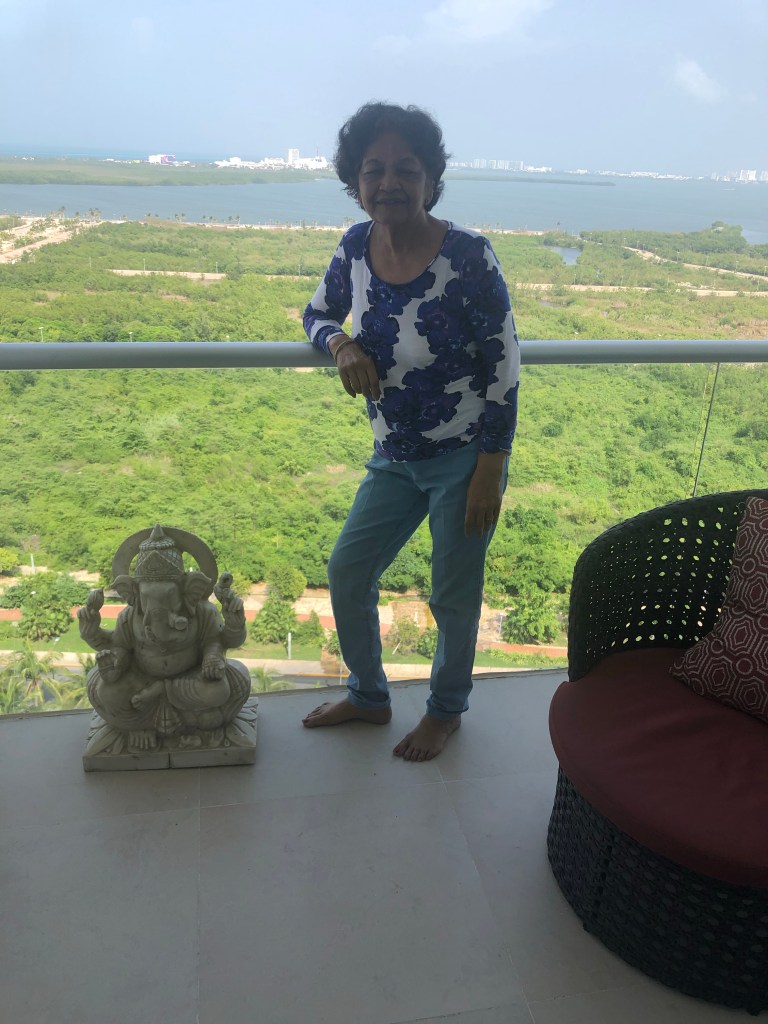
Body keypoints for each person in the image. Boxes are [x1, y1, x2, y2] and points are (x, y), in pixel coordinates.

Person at [302, 102, 520, 761]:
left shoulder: (468, 255)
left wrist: (490, 469)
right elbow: (316, 314)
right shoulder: (354, 246)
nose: (389, 182)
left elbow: (504, 367)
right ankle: (369, 696)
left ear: (431, 180)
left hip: (465, 457)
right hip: (393, 455)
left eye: (406, 169)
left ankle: (445, 711)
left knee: (453, 595)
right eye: (374, 169)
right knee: (348, 571)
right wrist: (341, 344)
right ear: (355, 181)